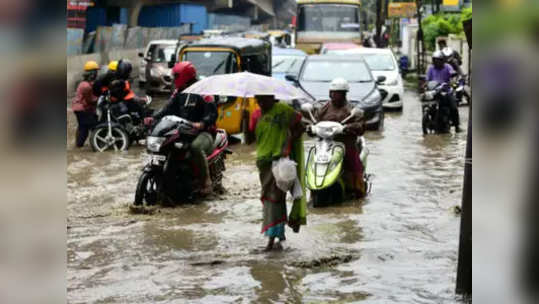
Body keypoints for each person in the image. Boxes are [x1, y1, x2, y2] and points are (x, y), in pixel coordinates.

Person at [144, 62, 218, 195]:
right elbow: (166, 109)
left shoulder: (203, 92)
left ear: (185, 76)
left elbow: (212, 113)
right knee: (166, 145)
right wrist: (153, 118)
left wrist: (202, 123)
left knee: (195, 147)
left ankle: (206, 182)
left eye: (176, 76)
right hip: (184, 131)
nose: (174, 79)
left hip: (204, 132)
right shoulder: (178, 93)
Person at [247, 95, 306, 251]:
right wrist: (247, 123)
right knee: (270, 199)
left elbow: (301, 127)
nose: (260, 102)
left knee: (274, 198)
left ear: (272, 97)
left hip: (279, 162)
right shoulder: (255, 114)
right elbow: (249, 140)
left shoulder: (284, 111)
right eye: (257, 99)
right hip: (263, 163)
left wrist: (288, 142)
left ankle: (271, 241)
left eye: (263, 98)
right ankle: (279, 235)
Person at [311, 78, 367, 198]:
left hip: (346, 145)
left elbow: (361, 126)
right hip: (325, 145)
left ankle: (359, 191)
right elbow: (315, 121)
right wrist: (310, 128)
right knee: (312, 161)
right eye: (332, 92)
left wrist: (348, 127)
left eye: (337, 93)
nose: (333, 95)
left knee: (354, 166)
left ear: (344, 94)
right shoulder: (324, 108)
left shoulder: (351, 109)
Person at [426, 51, 462, 132]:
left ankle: (457, 126)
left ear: (442, 60)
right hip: (434, 91)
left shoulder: (448, 67)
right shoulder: (431, 68)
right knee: (426, 103)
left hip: (446, 91)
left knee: (454, 107)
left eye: (438, 60)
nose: (437, 62)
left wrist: (452, 81)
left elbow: (453, 76)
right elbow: (427, 79)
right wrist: (425, 84)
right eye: (435, 60)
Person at [72, 61, 99, 148]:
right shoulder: (86, 86)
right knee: (94, 125)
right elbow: (90, 100)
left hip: (78, 109)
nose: (96, 74)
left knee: (82, 127)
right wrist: (99, 99)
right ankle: (97, 143)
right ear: (92, 73)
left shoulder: (84, 83)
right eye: (95, 72)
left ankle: (78, 146)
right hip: (82, 109)